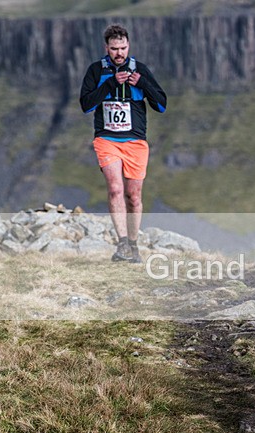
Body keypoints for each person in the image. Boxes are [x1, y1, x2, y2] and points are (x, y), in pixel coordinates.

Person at [79, 24, 167, 263]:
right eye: (114, 48)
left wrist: (143, 85)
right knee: (115, 189)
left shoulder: (140, 69)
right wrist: (110, 84)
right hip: (106, 139)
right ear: (106, 47)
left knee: (133, 196)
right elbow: (86, 105)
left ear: (129, 46)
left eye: (123, 48)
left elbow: (161, 105)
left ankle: (134, 244)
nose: (119, 53)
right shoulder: (96, 70)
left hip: (136, 142)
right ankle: (122, 245)